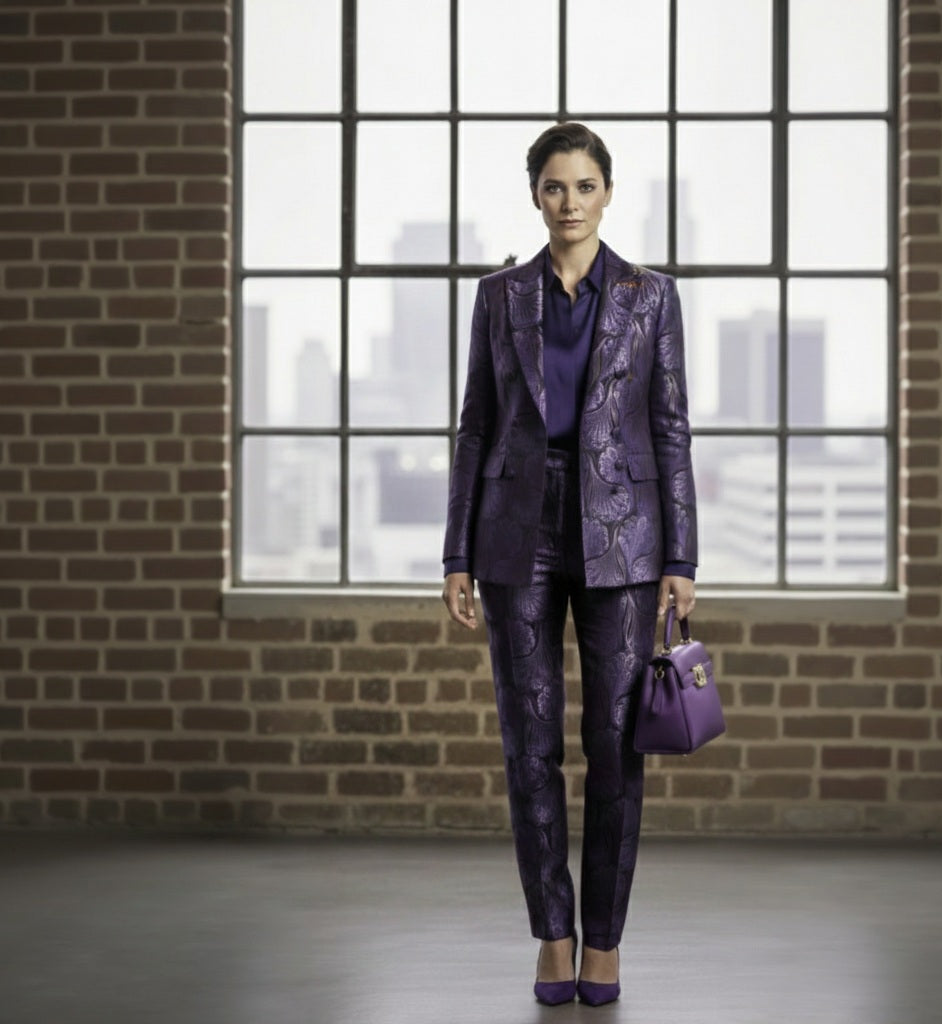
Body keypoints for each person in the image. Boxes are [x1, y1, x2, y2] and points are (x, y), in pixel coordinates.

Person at [441, 122, 698, 1007]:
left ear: (608, 193)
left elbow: (669, 427)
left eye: (585, 186)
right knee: (529, 746)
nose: (569, 203)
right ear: (535, 195)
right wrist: (456, 554)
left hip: (624, 536)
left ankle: (607, 944)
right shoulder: (499, 296)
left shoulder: (650, 296)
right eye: (554, 187)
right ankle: (554, 937)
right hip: (516, 530)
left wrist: (681, 555)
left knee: (617, 748)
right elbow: (475, 425)